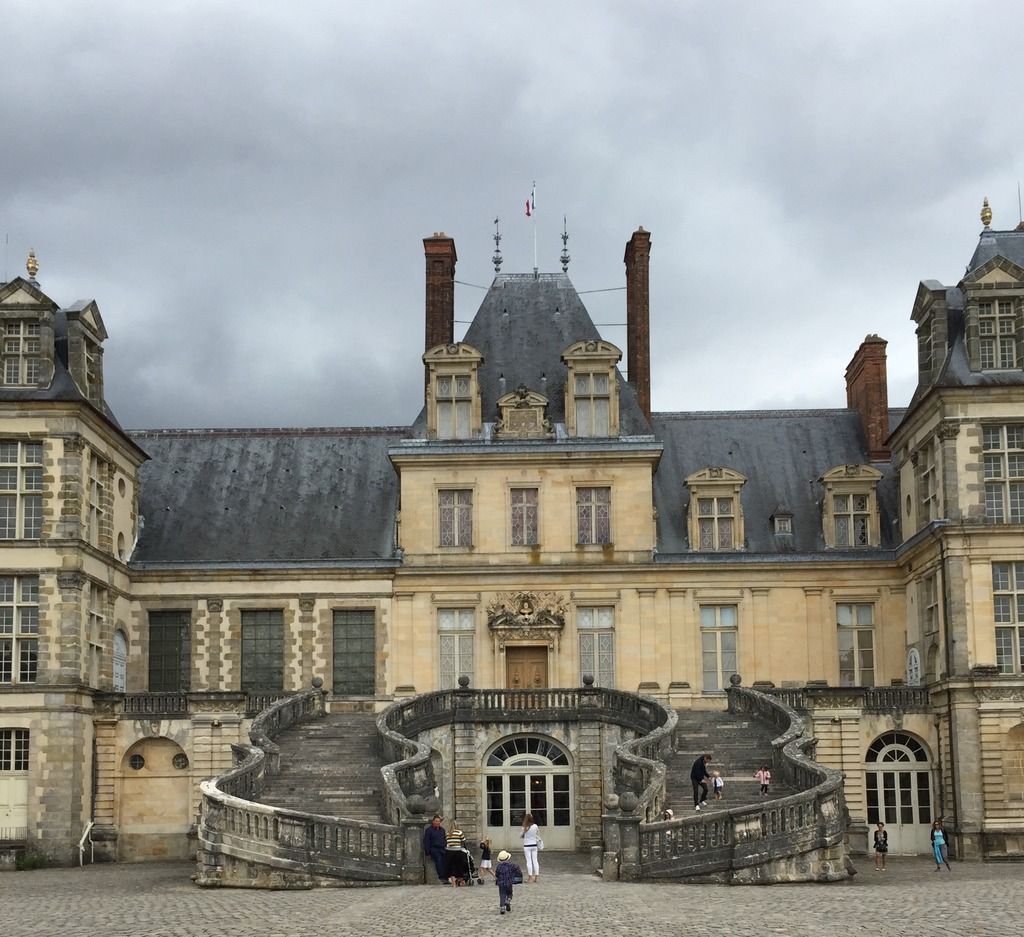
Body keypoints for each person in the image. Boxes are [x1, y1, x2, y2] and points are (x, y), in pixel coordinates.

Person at [422, 814, 447, 883]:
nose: (437, 823)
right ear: (433, 821)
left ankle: (448, 876)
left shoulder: (442, 830)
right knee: (439, 859)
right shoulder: (429, 830)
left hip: (442, 848)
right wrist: (427, 852)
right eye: (436, 821)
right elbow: (427, 841)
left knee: (448, 858)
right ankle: (442, 877)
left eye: (439, 821)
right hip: (434, 849)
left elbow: (444, 839)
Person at [445, 818, 469, 886]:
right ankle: (461, 879)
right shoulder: (459, 832)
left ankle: (453, 883)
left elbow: (447, 841)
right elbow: (463, 840)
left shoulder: (447, 833)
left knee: (451, 866)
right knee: (458, 865)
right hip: (457, 851)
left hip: (449, 851)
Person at [495, 849, 517, 915]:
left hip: (501, 883)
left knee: (502, 894)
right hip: (509, 882)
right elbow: (516, 869)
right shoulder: (511, 865)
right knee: (510, 893)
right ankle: (508, 900)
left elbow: (497, 874)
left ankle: (502, 907)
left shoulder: (498, 866)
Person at [520, 812, 540, 883]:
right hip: (534, 845)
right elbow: (537, 834)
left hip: (527, 846)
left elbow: (521, 836)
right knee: (535, 860)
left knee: (529, 861)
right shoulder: (535, 826)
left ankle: (530, 877)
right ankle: (536, 877)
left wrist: (525, 833)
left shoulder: (524, 827)